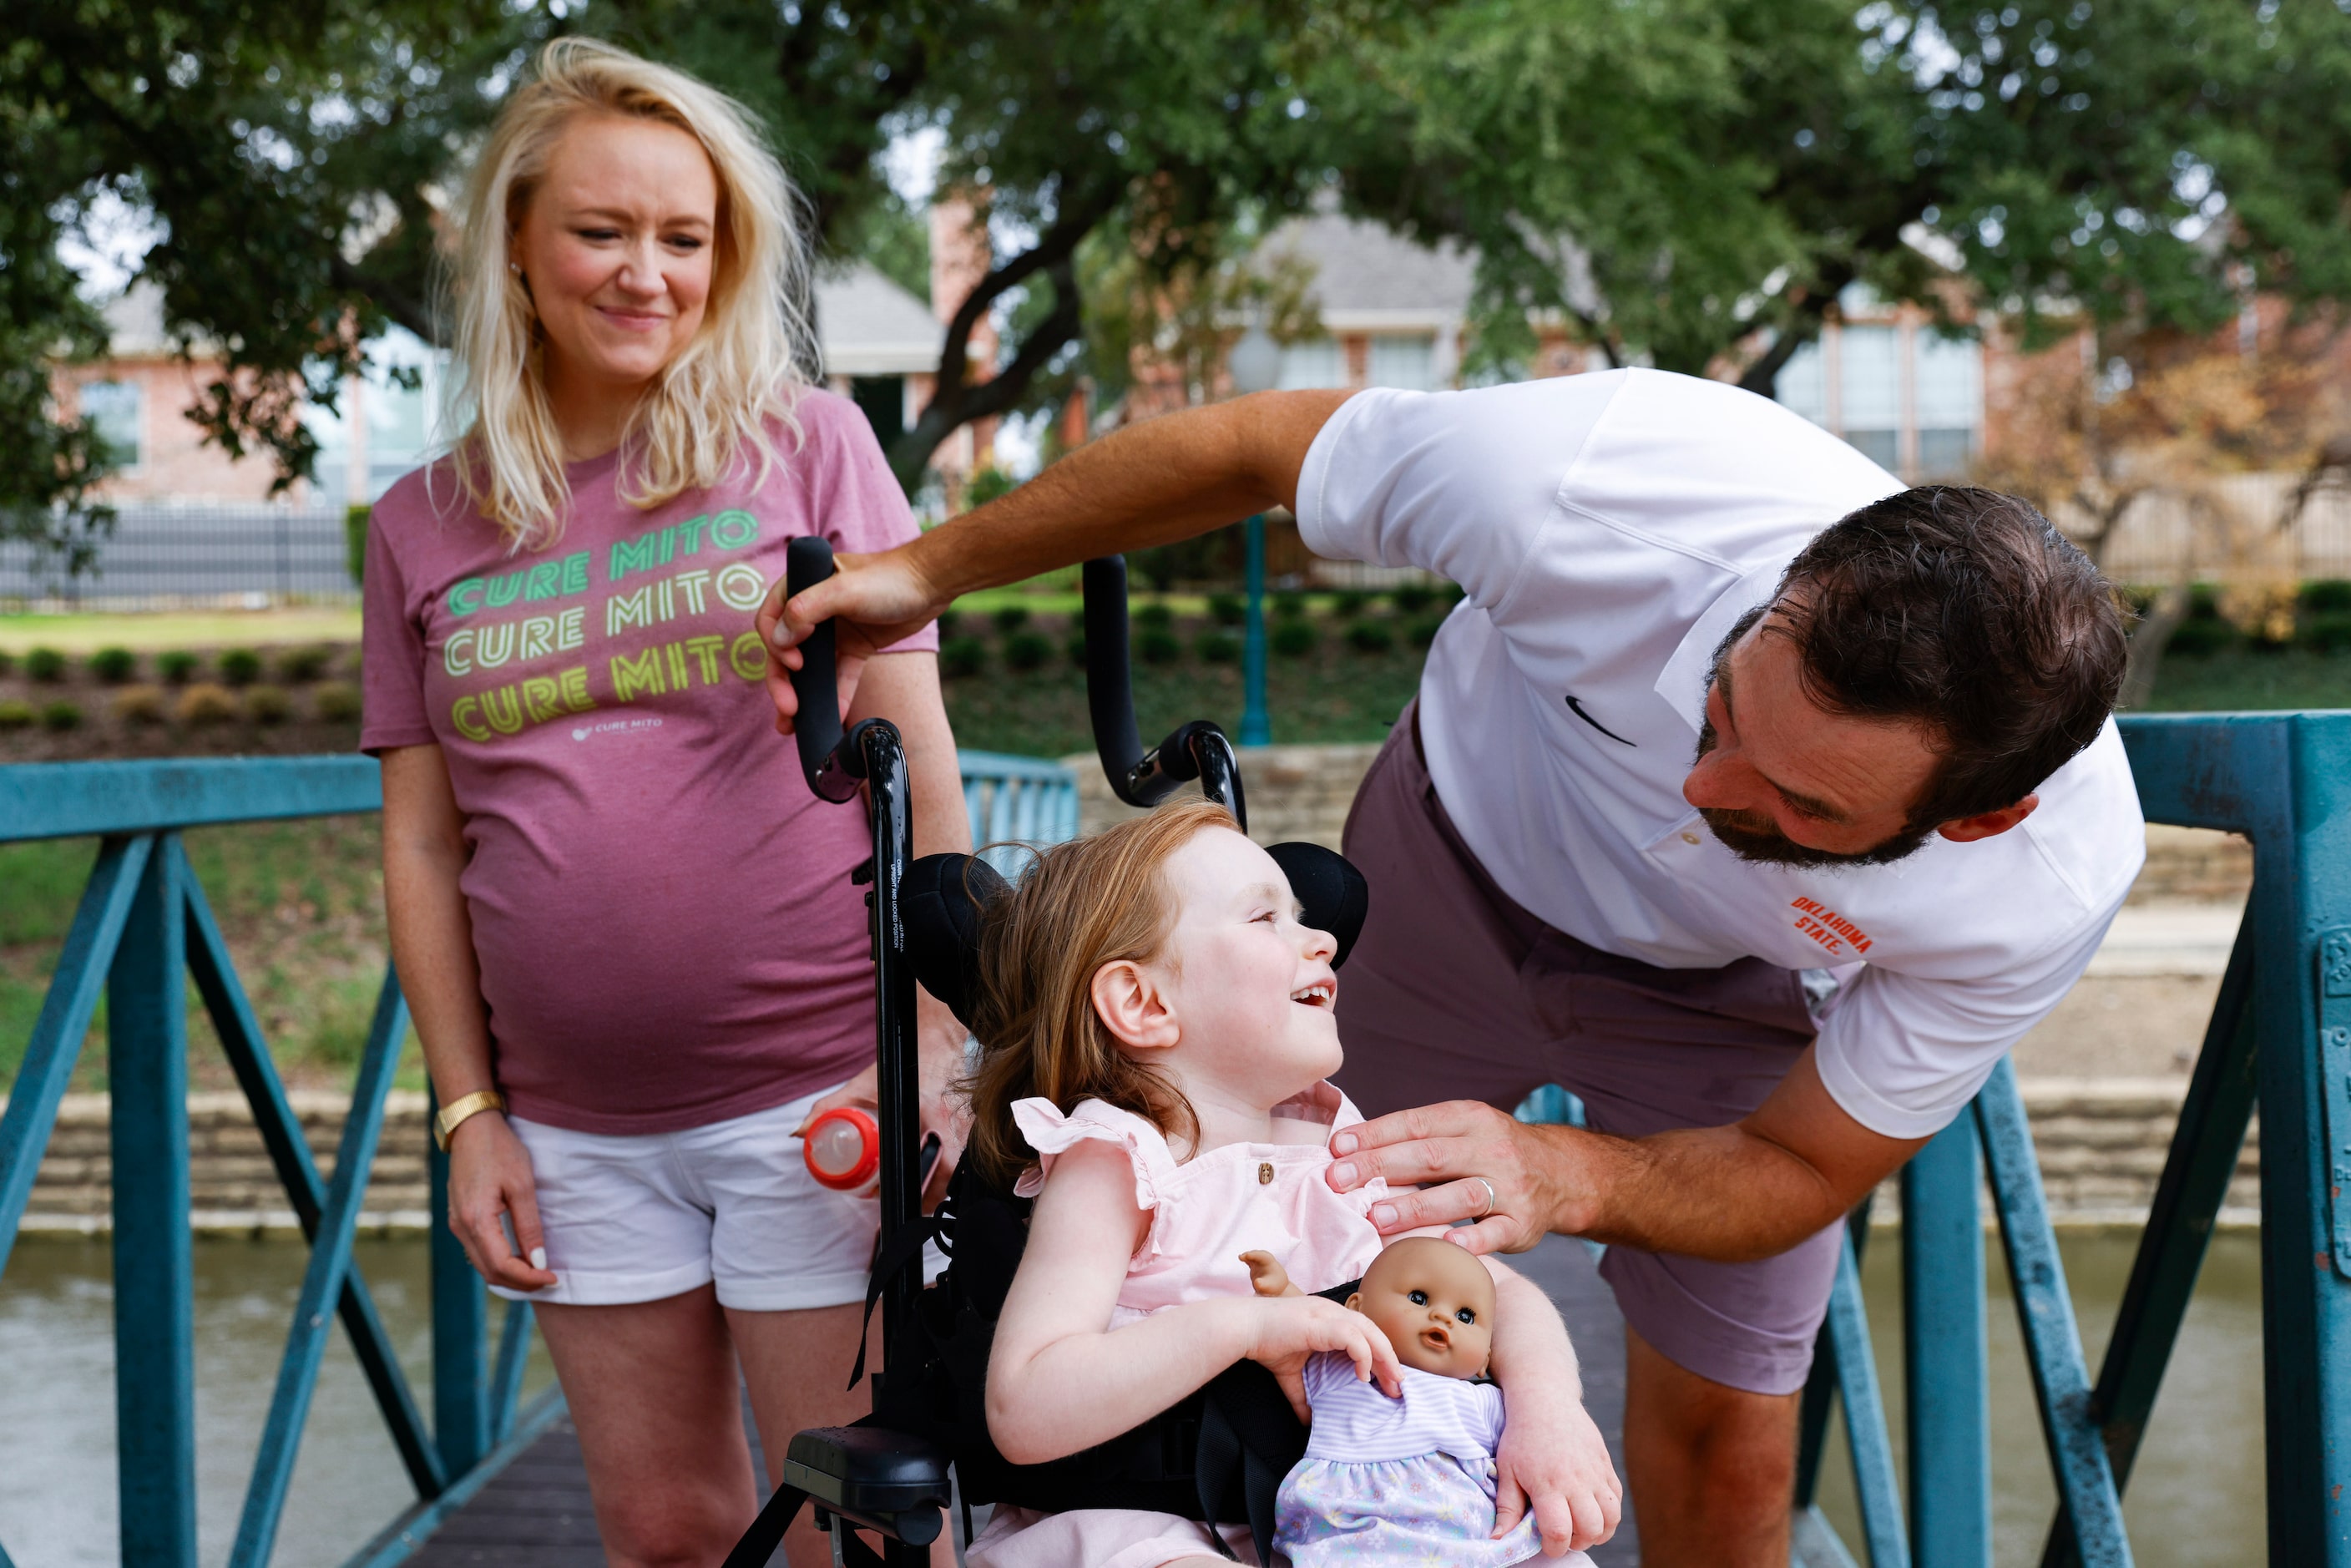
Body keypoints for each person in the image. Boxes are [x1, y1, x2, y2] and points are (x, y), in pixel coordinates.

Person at [755, 370, 2141, 1564]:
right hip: (1451, 865)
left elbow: (1801, 1167)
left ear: (1976, 816)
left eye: (1798, 809)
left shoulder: (2035, 890)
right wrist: (928, 571)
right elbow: (1250, 451)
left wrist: (1571, 1174)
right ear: (1789, 585)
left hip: (1724, 990)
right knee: (1273, 1230)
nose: (1702, 780)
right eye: (1718, 708)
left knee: (1731, 1419)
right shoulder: (1597, 488)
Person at [363, 39, 967, 1568]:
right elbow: (425, 844)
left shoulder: (810, 446)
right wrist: (468, 1113)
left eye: (683, 238)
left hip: (820, 1093)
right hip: (572, 1130)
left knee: (862, 1533)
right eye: (601, 230)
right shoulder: (416, 523)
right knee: (663, 1534)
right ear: (517, 241)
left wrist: (947, 1045)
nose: (646, 272)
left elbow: (917, 747)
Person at [963, 801, 1620, 1565]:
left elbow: (1500, 1294)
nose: (1324, 941)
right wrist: (1249, 1326)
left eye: (1301, 915)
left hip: (1365, 1508)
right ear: (1144, 1003)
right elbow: (1026, 1405)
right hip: (1155, 1523)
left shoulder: (1340, 1158)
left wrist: (1547, 1410)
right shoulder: (1118, 1164)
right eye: (1264, 918)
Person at [1246, 1237, 1572, 1567]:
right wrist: (1281, 1291)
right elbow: (1309, 1325)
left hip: (1461, 1537)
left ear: (1485, 1358)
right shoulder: (1344, 1367)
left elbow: (1534, 1446)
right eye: (1419, 1298)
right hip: (1353, 1532)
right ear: (1357, 1310)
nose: (1444, 1318)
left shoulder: (1485, 1401)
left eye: (1466, 1316)